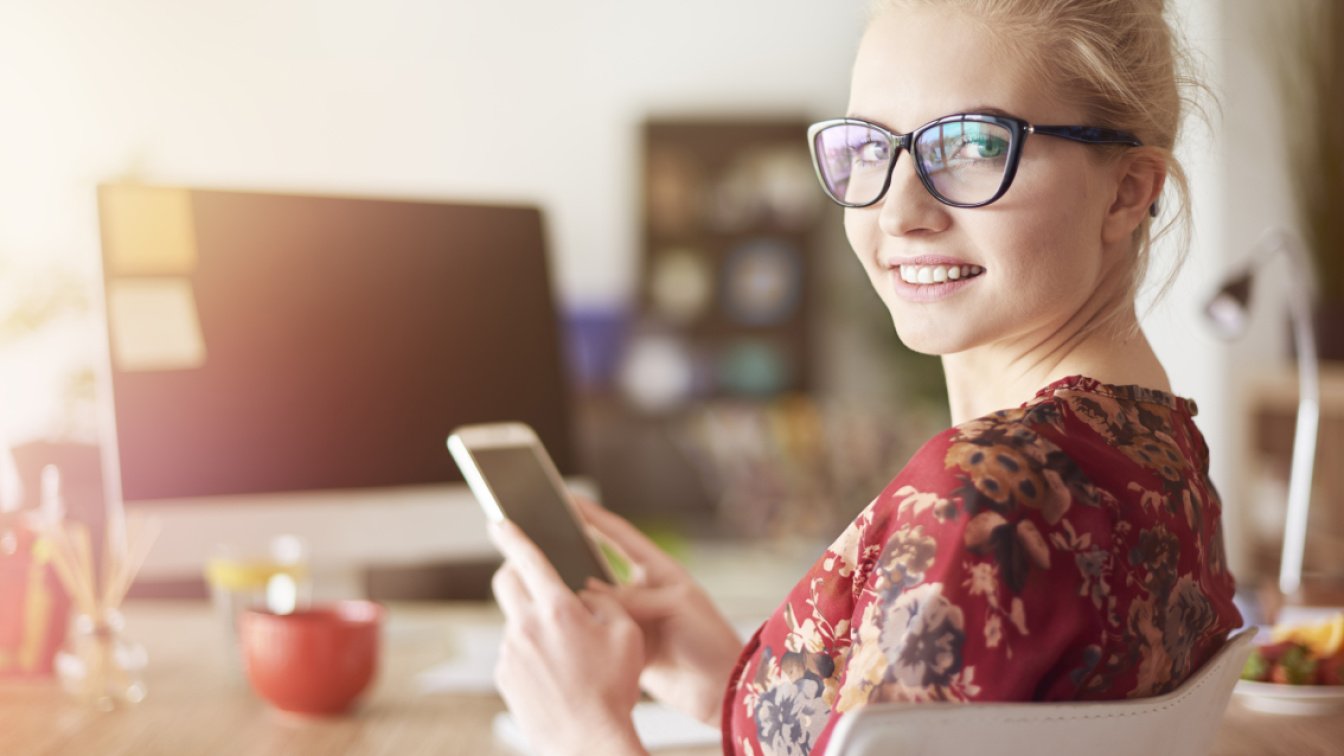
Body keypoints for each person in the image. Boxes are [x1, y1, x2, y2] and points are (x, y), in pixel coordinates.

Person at [487, 0, 1242, 753]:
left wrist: (579, 732)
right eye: (870, 148)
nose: (897, 209)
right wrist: (740, 683)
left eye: (974, 144)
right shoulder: (1159, 451)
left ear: (1128, 191)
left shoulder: (985, 499)